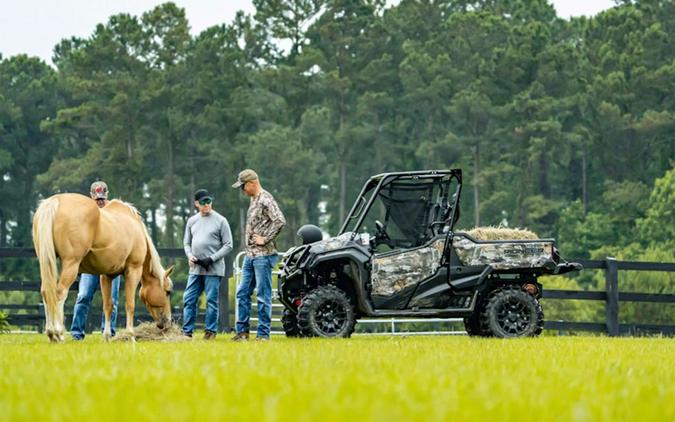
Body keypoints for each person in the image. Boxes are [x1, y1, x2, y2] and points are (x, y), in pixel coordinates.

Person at [231, 169, 286, 341]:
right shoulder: (254, 199)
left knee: (263, 295)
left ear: (252, 183)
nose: (243, 190)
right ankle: (242, 333)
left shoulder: (265, 198)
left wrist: (266, 238)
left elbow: (280, 220)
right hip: (250, 255)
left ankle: (263, 335)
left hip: (263, 255)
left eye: (243, 186)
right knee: (242, 293)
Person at [70, 180, 122, 341]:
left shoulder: (115, 214)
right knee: (84, 296)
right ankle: (76, 333)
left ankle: (109, 332)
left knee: (112, 300)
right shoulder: (85, 215)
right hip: (91, 263)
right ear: (91, 196)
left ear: (106, 195)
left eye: (101, 198)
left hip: (111, 263)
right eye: (96, 198)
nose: (99, 201)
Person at [182, 189, 233, 340]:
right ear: (197, 204)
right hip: (196, 268)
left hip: (213, 269)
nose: (207, 205)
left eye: (209, 201)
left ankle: (210, 332)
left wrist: (211, 259)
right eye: (203, 202)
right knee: (189, 299)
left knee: (211, 301)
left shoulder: (221, 220)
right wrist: (190, 255)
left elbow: (228, 245)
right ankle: (187, 332)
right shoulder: (192, 221)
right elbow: (186, 242)